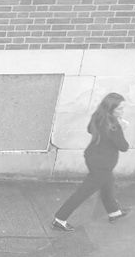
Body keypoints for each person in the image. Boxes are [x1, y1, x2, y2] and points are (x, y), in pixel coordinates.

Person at [52, 92, 130, 231]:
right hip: (102, 164)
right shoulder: (113, 125)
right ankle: (60, 218)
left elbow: (89, 129)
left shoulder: (98, 115)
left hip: (93, 157)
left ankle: (114, 212)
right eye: (120, 109)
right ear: (111, 108)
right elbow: (124, 147)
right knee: (84, 192)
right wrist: (121, 128)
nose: (122, 111)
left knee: (108, 184)